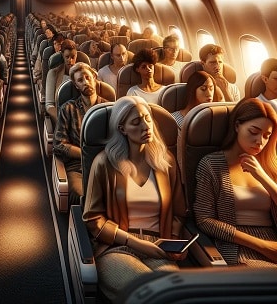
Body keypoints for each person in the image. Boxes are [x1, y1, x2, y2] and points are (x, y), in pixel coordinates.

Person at [83, 96, 187, 301]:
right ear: (122, 129)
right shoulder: (104, 163)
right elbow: (93, 220)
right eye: (136, 122)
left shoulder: (165, 162)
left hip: (158, 246)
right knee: (150, 293)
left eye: (147, 118)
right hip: (117, 248)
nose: (145, 126)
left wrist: (173, 242)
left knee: (177, 294)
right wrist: (134, 242)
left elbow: (178, 211)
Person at [194, 98, 277, 266]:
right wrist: (262, 246)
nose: (260, 141)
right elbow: (204, 220)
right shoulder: (211, 164)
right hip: (237, 247)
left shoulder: (269, 165)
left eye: (266, 136)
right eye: (254, 132)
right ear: (237, 125)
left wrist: (262, 176)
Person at [53, 63, 109, 206]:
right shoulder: (68, 109)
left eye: (88, 78)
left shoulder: (109, 108)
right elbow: (59, 145)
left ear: (94, 78)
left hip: (107, 166)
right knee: (84, 198)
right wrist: (86, 154)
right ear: (76, 85)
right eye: (80, 80)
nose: (86, 82)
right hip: (78, 167)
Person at [45, 39, 78, 124]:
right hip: (59, 116)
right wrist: (63, 121)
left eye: (73, 57)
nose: (70, 61)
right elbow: (49, 105)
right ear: (62, 55)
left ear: (76, 56)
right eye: (67, 57)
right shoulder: (53, 74)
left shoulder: (83, 75)